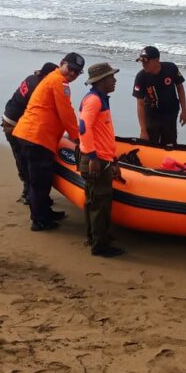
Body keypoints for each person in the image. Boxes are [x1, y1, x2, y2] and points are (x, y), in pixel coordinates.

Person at [12, 52, 85, 231]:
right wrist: (77, 137)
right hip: (36, 136)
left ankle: (44, 212)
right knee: (39, 181)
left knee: (41, 180)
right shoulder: (59, 82)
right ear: (62, 63)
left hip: (30, 134)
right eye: (71, 69)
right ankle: (39, 220)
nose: (73, 74)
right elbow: (66, 112)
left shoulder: (53, 78)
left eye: (77, 72)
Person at [78, 62, 125, 257]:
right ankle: (100, 245)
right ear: (101, 81)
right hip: (96, 159)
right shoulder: (94, 100)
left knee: (94, 200)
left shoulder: (101, 99)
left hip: (103, 157)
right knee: (100, 203)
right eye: (111, 77)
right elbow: (84, 127)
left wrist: (113, 160)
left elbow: (104, 132)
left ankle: (95, 236)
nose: (114, 80)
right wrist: (92, 157)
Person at [2, 62, 58, 205]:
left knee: (21, 158)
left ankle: (29, 192)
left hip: (9, 117)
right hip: (15, 124)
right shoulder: (40, 87)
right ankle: (29, 193)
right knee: (25, 160)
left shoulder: (31, 78)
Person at [132, 46, 186, 145]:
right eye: (142, 61)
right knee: (150, 141)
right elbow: (140, 104)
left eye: (146, 61)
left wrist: (184, 111)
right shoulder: (141, 77)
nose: (143, 64)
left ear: (156, 60)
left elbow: (180, 88)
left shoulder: (171, 68)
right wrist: (143, 130)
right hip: (152, 113)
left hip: (170, 112)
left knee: (169, 142)